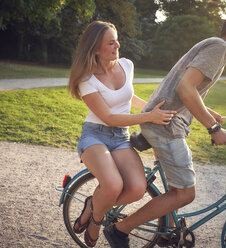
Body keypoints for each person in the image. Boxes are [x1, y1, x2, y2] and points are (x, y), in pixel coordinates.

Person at [103, 13, 226, 247]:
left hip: (163, 122)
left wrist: (210, 112)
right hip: (166, 126)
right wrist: (214, 128)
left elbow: (187, 89)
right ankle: (119, 230)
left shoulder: (215, 47)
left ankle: (166, 231)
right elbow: (185, 87)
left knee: (176, 189)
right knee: (185, 193)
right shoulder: (219, 48)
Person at [67, 21, 177, 247]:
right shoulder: (86, 79)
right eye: (110, 42)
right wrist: (149, 117)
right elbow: (109, 117)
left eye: (116, 39)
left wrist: (152, 110)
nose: (118, 44)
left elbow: (128, 98)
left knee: (137, 189)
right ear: (96, 49)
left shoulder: (127, 65)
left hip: (121, 138)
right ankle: (96, 219)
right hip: (95, 136)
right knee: (114, 185)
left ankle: (92, 203)